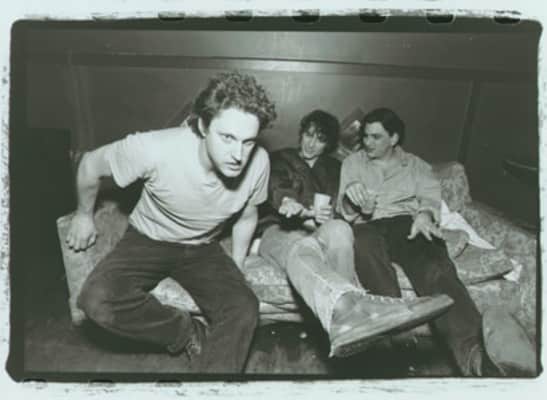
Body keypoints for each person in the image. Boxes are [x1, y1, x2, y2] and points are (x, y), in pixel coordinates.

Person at [65, 71, 277, 373]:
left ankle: (212, 388)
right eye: (227, 138)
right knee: (95, 300)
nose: (238, 155)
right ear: (203, 126)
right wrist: (83, 215)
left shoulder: (259, 162)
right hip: (147, 239)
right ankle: (185, 331)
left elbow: (247, 214)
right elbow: (89, 164)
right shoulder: (155, 148)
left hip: (203, 247)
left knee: (243, 308)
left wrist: (238, 263)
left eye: (248, 142)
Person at [338, 107, 536, 376]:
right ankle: (398, 341)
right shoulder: (353, 163)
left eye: (376, 137)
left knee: (436, 270)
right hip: (367, 226)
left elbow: (430, 200)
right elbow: (345, 214)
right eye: (365, 136)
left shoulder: (417, 165)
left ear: (394, 138)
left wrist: (425, 215)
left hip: (407, 224)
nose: (368, 143)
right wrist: (352, 199)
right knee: (364, 247)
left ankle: (476, 359)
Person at [258, 109, 454, 358]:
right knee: (301, 247)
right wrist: (289, 203)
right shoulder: (279, 158)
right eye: (308, 135)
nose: (311, 143)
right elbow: (277, 187)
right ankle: (351, 316)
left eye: (319, 139)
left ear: (328, 144)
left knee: (341, 229)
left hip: (320, 231)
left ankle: (355, 324)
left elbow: (343, 212)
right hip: (284, 228)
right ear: (301, 134)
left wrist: (344, 210)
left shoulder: (334, 167)